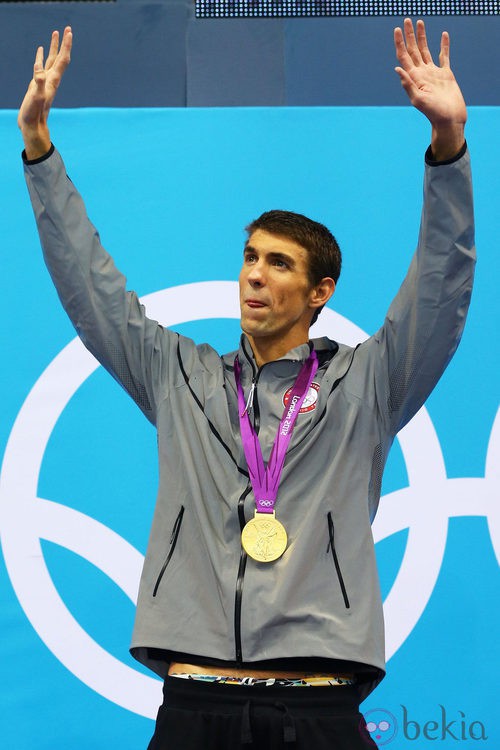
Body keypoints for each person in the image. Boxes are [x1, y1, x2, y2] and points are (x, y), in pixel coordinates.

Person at [18, 18, 475, 750]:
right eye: (250, 257)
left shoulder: (368, 384)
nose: (256, 274)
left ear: (320, 290)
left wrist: (448, 150)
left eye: (281, 264)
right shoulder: (180, 376)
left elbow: (441, 285)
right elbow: (90, 287)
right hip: (195, 704)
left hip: (319, 708)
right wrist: (39, 152)